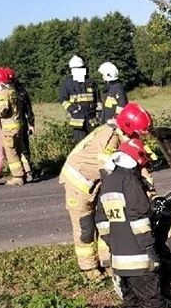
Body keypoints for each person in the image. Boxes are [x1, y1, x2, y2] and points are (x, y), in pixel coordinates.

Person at [60, 102, 153, 280]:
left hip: (98, 183)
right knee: (85, 226)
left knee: (106, 221)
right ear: (128, 125)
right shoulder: (109, 136)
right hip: (79, 184)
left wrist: (149, 186)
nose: (141, 135)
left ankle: (108, 262)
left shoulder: (125, 133)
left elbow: (137, 162)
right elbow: (108, 170)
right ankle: (89, 269)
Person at [96, 137, 163, 308]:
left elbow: (102, 221)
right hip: (139, 256)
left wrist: (114, 243)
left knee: (130, 300)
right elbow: (140, 218)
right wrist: (150, 250)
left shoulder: (108, 182)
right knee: (151, 299)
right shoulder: (130, 181)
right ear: (136, 160)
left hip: (119, 258)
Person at [0, 66, 26, 186]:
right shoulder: (14, 91)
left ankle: (17, 177)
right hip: (18, 125)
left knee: (11, 153)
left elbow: (4, 110)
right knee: (19, 150)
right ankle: (26, 172)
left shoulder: (4, 93)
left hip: (9, 128)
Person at [59, 55, 99, 143]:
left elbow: (97, 99)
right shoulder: (67, 83)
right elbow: (62, 99)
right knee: (80, 146)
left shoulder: (90, 81)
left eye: (80, 68)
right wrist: (73, 109)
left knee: (94, 144)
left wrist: (99, 114)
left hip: (91, 120)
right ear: (72, 70)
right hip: (78, 120)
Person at [11, 70, 35, 181]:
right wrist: (31, 124)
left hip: (11, 125)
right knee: (24, 147)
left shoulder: (6, 93)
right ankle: (28, 172)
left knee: (14, 150)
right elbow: (29, 110)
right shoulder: (22, 92)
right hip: (22, 123)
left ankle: (20, 174)